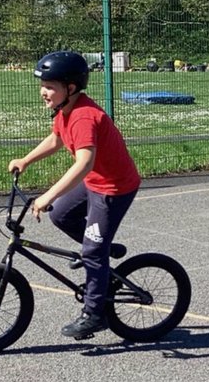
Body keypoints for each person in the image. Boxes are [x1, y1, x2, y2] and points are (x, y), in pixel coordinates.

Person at [7, 51, 141, 340]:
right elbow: (56, 138)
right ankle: (101, 247)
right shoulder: (65, 111)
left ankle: (94, 314)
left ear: (70, 88)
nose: (43, 92)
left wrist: (47, 195)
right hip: (95, 181)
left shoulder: (83, 116)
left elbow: (83, 164)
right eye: (42, 85)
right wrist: (26, 160)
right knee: (61, 214)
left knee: (92, 251)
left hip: (114, 188)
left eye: (50, 87)